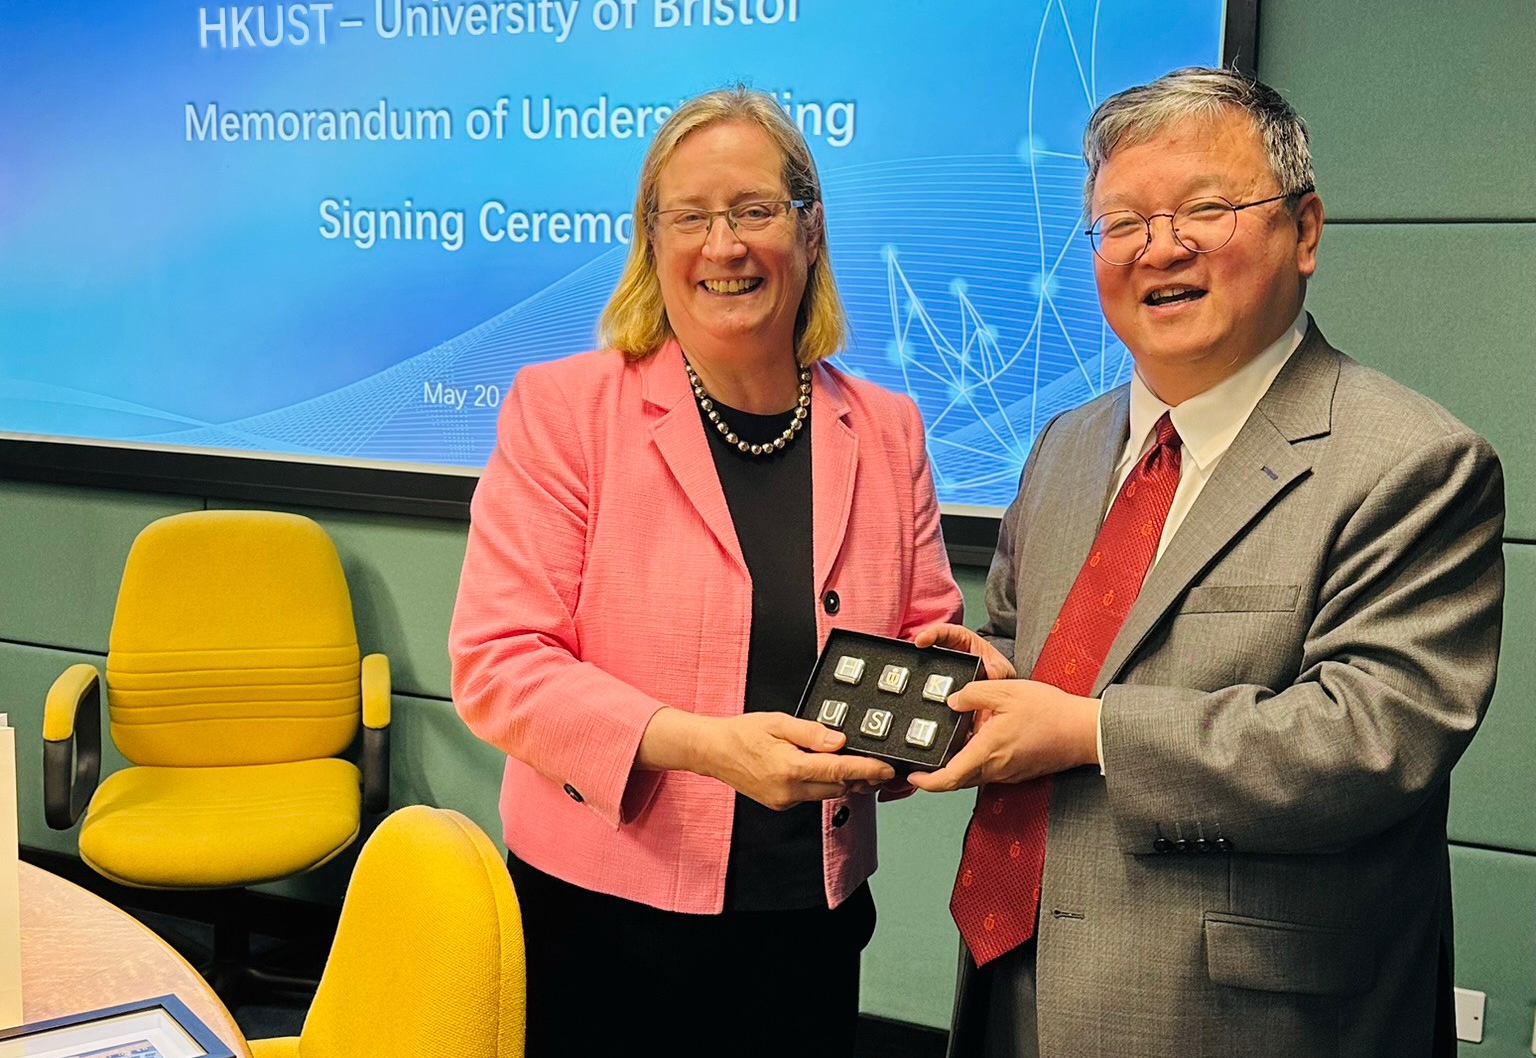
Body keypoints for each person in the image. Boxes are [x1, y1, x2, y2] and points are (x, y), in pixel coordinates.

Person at [911, 66, 1503, 1058]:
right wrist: (989, 676)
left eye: (1206, 208)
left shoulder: (1413, 460)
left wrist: (1090, 731)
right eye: (1122, 222)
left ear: (1305, 229)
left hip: (1246, 1019)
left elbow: (1371, 739)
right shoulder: (1063, 445)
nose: (1162, 247)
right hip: (1014, 984)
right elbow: (1033, 644)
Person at [450, 86, 963, 1055]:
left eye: (755, 210)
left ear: (810, 231)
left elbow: (921, 624)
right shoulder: (565, 408)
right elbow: (500, 662)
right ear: (651, 240)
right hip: (607, 913)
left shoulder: (887, 426)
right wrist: (702, 744)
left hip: (811, 905)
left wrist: (950, 681)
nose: (722, 245)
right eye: (689, 215)